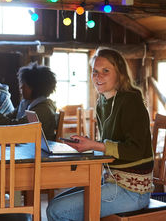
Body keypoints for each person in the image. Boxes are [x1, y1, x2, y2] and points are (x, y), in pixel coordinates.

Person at [46, 48, 154, 220]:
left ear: (120, 74)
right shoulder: (102, 102)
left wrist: (94, 145)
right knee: (53, 204)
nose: (98, 76)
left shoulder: (131, 101)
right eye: (95, 72)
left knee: (57, 211)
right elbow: (109, 144)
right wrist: (88, 144)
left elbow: (136, 150)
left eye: (105, 71)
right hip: (111, 180)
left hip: (132, 190)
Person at [0, 62, 57, 141]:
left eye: (24, 86)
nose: (21, 88)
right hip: (27, 147)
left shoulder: (43, 109)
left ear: (35, 87)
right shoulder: (25, 104)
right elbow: (7, 119)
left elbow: (14, 127)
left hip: (38, 152)